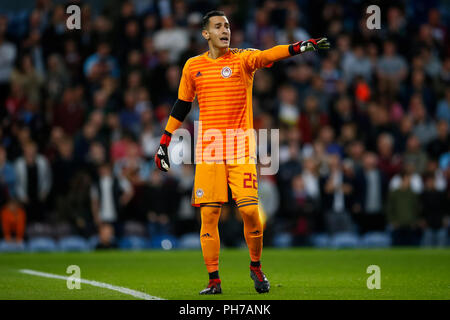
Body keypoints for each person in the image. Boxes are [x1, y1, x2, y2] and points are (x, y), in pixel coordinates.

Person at [154, 10, 330, 295]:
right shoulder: (193, 66)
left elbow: (269, 55)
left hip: (240, 148)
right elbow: (182, 105)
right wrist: (164, 140)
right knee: (209, 216)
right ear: (205, 34)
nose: (225, 30)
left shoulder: (243, 59)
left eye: (227, 26)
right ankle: (214, 280)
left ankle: (256, 267)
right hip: (209, 150)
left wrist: (298, 47)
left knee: (250, 212)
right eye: (218, 26)